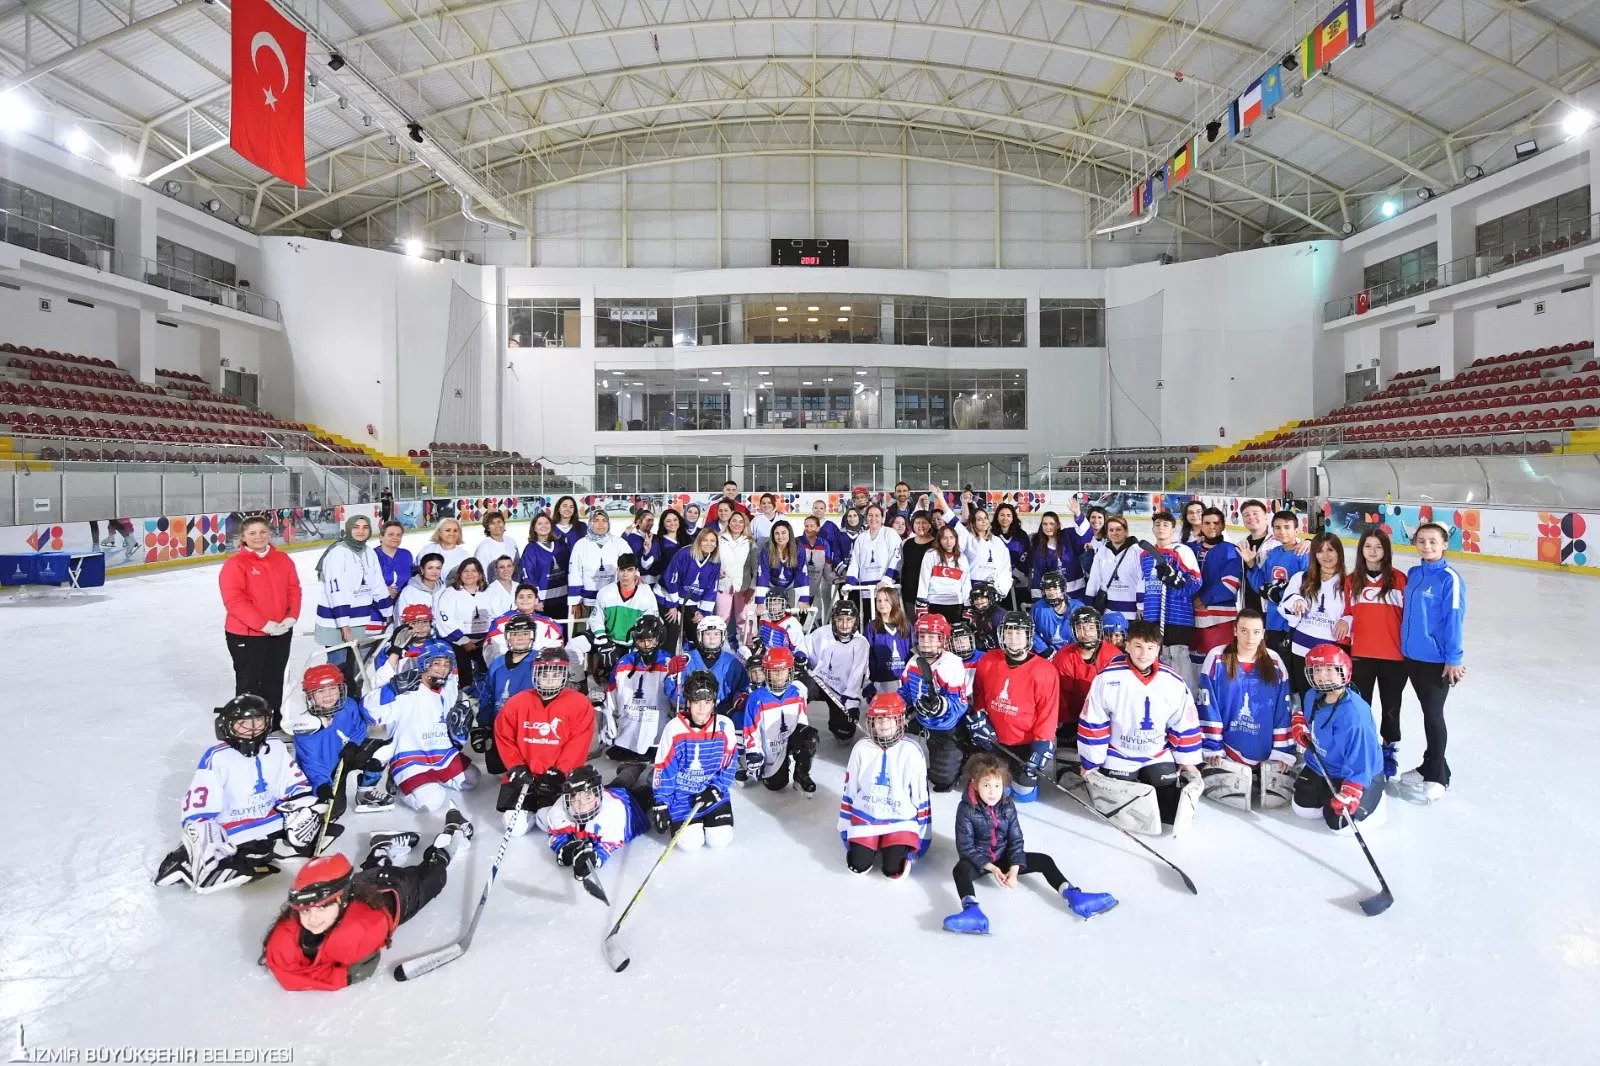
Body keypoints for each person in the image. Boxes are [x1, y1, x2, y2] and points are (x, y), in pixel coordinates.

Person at [260, 811, 471, 991]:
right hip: (365, 882)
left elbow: (296, 975)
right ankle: (381, 848)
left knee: (434, 878)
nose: (312, 918)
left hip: (398, 891)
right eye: (305, 911)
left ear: (341, 900)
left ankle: (446, 843)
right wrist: (340, 977)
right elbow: (287, 974)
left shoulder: (356, 933)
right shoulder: (290, 932)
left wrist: (342, 976)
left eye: (322, 907)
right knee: (371, 873)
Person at [154, 695, 317, 892]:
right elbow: (199, 808)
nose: (253, 728)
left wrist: (300, 809)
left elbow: (295, 783)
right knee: (217, 845)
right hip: (233, 831)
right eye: (244, 723)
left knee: (308, 818)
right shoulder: (217, 757)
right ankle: (187, 859)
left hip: (271, 822)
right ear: (227, 726)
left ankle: (265, 850)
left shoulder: (276, 747)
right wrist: (204, 837)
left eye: (258, 720)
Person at [941, 753, 1117, 935]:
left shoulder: (1007, 805)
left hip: (1003, 856)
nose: (993, 792)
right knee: (960, 870)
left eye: (997, 785)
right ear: (975, 785)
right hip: (980, 861)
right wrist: (992, 868)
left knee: (1044, 861)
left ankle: (1073, 894)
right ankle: (972, 911)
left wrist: (1015, 868)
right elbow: (965, 847)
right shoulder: (967, 809)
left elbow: (1016, 840)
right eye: (986, 786)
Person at [1077, 620, 1203, 836]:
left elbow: (1185, 721)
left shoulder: (1172, 681)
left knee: (1168, 812)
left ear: (1158, 649)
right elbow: (1094, 721)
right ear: (1127, 645)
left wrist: (1187, 761)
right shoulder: (1108, 679)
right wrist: (1090, 762)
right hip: (1119, 754)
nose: (1144, 654)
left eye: (1150, 648)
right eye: (1138, 646)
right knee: (1126, 811)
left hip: (1157, 754)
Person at [363, 640, 480, 813]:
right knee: (431, 802)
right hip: (410, 756)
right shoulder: (407, 688)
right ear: (425, 663)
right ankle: (400, 784)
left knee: (472, 779)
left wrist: (457, 736)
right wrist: (391, 689)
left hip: (441, 752)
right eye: (436, 663)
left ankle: (432, 778)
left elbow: (446, 723)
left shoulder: (448, 688)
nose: (442, 668)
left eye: (447, 664)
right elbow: (369, 711)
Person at [1196, 609, 1296, 810]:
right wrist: (1213, 746)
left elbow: (1283, 710)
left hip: (1264, 747)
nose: (1250, 638)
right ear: (1234, 630)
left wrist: (1281, 752)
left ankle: (1261, 771)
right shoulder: (1217, 658)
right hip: (1228, 748)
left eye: (1256, 632)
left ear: (1263, 633)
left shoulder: (1275, 661)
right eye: (1244, 630)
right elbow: (1208, 705)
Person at [1397, 522, 1466, 804]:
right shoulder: (1414, 573)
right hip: (1411, 657)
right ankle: (1430, 764)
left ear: (1444, 544)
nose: (1427, 546)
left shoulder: (1450, 578)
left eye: (1433, 542)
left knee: (1434, 716)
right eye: (1422, 541)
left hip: (1436, 662)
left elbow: (1455, 621)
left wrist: (1454, 658)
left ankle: (1437, 775)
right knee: (1427, 714)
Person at [495, 648, 598, 830]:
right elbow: (504, 736)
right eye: (544, 673)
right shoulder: (517, 702)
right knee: (514, 826)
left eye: (556, 674)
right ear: (535, 673)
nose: (550, 679)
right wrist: (516, 766)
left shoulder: (579, 703)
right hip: (524, 777)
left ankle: (543, 809)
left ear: (565, 675)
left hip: (557, 779)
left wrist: (560, 772)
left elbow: (578, 743)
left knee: (549, 822)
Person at [1291, 644, 1387, 829]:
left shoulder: (1355, 716)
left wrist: (1351, 790)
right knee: (1302, 809)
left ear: (1344, 671)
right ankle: (1331, 792)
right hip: (1323, 764)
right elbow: (1310, 718)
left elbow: (1361, 758)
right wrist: (1300, 723)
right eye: (1317, 670)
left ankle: (1376, 796)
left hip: (1359, 771)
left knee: (1340, 825)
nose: (1323, 675)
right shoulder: (1312, 695)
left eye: (1329, 669)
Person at [219, 514, 302, 727]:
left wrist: (291, 616)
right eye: (252, 533)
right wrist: (263, 624)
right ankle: (246, 730)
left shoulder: (282, 559)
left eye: (263, 531)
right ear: (243, 537)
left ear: (270, 534)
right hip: (247, 635)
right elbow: (234, 601)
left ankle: (272, 726)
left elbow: (294, 589)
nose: (259, 537)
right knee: (249, 684)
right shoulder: (235, 564)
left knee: (274, 681)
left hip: (281, 632)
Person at [838, 693, 932, 878]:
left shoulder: (912, 751)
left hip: (901, 820)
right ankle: (873, 843)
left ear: (900, 720)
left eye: (889, 719)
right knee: (858, 866)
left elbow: (921, 797)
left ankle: (890, 845)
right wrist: (844, 826)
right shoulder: (861, 749)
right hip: (867, 816)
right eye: (878, 719)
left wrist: (922, 836)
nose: (884, 724)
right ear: (871, 721)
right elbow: (850, 789)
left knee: (893, 870)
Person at [1341, 527, 1408, 781]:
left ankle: (1390, 749)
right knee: (1361, 706)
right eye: (1368, 546)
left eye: (1378, 547)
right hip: (1361, 655)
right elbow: (1347, 612)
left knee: (1391, 706)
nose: (1373, 551)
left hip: (1394, 657)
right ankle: (1364, 748)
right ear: (1361, 550)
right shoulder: (1351, 581)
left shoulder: (1400, 579)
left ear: (1386, 551)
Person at [970, 610, 1059, 801]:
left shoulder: (1044, 669)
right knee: (994, 794)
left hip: (1026, 744)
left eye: (1019, 632)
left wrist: (1041, 746)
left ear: (1029, 635)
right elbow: (978, 694)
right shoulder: (988, 660)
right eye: (1009, 632)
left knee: (1024, 796)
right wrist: (980, 719)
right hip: (995, 741)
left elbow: (1048, 713)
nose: (1014, 637)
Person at [650, 670, 740, 848]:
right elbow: (664, 768)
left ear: (714, 703)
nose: (701, 708)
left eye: (707, 702)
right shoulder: (674, 729)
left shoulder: (724, 725)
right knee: (691, 844)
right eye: (697, 702)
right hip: (682, 796)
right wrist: (661, 803)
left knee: (720, 840)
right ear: (688, 702)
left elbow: (730, 764)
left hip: (712, 794)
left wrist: (716, 789)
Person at [289, 664, 386, 821]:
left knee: (382, 750)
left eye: (332, 689)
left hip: (347, 755)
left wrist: (353, 744)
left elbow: (359, 727)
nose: (328, 695)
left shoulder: (348, 705)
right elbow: (311, 761)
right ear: (310, 695)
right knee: (334, 811)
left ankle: (365, 792)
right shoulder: (306, 725)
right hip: (326, 771)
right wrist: (321, 784)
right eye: (321, 691)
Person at [314, 515, 389, 699]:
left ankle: (351, 704)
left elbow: (377, 584)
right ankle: (334, 706)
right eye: (356, 527)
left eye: (365, 527)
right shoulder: (338, 553)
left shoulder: (369, 553)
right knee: (338, 667)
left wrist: (388, 612)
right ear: (348, 529)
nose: (361, 530)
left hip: (358, 620)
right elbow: (336, 590)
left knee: (354, 667)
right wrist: (343, 623)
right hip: (335, 623)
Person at [534, 764, 646, 881]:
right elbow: (555, 834)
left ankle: (634, 768)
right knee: (618, 783)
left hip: (629, 805)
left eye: (587, 798)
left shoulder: (614, 811)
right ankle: (630, 770)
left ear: (598, 797)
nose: (581, 804)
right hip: (607, 795)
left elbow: (608, 845)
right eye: (575, 799)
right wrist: (564, 848)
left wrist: (594, 858)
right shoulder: (559, 811)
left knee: (643, 793)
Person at [899, 613, 971, 792]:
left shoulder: (951, 664)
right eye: (922, 637)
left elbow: (960, 703)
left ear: (942, 640)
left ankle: (964, 755)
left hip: (945, 728)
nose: (926, 642)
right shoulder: (913, 662)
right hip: (921, 723)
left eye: (932, 637)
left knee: (943, 780)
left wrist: (941, 706)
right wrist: (896, 706)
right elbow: (905, 692)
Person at [1050, 606, 1120, 776]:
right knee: (1068, 762)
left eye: (1090, 627)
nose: (1086, 633)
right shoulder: (1064, 657)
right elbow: (1059, 696)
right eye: (1080, 628)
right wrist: (1061, 722)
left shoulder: (1114, 656)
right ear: (1073, 631)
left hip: (1107, 720)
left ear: (1098, 629)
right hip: (1074, 719)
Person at [740, 646, 819, 794]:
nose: (779, 675)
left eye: (782, 671)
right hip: (771, 746)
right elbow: (751, 731)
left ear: (790, 671)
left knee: (810, 736)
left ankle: (801, 774)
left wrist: (803, 747)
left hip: (790, 738)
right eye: (774, 671)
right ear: (766, 672)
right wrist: (754, 754)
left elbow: (802, 721)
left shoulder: (796, 693)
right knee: (777, 785)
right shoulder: (757, 699)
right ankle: (763, 765)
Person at [1279, 531, 1350, 696]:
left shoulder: (1349, 582)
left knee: (1330, 700)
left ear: (1339, 552)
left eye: (1330, 550)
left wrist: (1347, 620)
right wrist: (1295, 601)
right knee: (1306, 699)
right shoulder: (1301, 578)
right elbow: (1284, 606)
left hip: (1332, 654)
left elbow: (1355, 611)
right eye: (1320, 550)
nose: (1325, 555)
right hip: (1301, 649)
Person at [470, 614, 543, 771]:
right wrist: (483, 725)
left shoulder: (540, 661)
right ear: (507, 637)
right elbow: (488, 695)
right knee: (498, 769)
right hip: (502, 726)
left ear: (533, 636)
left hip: (530, 728)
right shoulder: (497, 664)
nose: (520, 639)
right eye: (515, 634)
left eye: (525, 634)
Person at [1137, 511, 1201, 688]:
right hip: (1152, 615)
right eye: (1157, 524)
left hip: (1177, 616)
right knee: (1154, 655)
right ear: (1152, 529)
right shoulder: (1145, 555)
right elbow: (1143, 582)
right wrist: (1141, 607)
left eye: (1166, 525)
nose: (1161, 528)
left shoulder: (1182, 551)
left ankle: (1185, 697)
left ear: (1173, 530)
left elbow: (1196, 582)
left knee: (1178, 658)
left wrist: (1176, 581)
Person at [601, 615, 674, 761]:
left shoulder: (668, 662)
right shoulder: (624, 662)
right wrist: (608, 717)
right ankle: (626, 743)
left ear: (659, 638)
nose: (646, 645)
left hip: (657, 735)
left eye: (650, 640)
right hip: (627, 733)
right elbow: (612, 691)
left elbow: (676, 698)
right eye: (641, 641)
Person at [802, 598, 872, 742]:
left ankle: (840, 726)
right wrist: (801, 657)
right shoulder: (822, 633)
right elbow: (803, 646)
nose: (845, 624)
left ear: (855, 621)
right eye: (840, 619)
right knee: (799, 689)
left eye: (849, 619)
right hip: (818, 681)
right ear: (834, 620)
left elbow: (858, 675)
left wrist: (852, 703)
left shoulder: (861, 643)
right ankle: (793, 725)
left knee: (844, 737)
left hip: (841, 692)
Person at [1247, 510, 1310, 666]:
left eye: (1287, 527)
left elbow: (1307, 587)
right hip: (1273, 620)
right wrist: (1251, 564)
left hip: (1295, 622)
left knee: (1293, 666)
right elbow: (1261, 585)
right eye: (1278, 527)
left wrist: (1310, 541)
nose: (1282, 531)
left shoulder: (1303, 553)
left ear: (1296, 530)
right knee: (1275, 664)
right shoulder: (1273, 553)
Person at [664, 614, 749, 721]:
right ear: (700, 636)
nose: (712, 638)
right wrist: (672, 675)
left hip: (723, 717)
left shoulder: (733, 663)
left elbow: (742, 689)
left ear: (723, 636)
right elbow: (672, 692)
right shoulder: (687, 660)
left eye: (716, 634)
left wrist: (740, 697)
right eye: (707, 634)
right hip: (692, 716)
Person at [933, 492, 1011, 606]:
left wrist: (1001, 589)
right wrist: (940, 497)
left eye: (985, 518)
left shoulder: (997, 542)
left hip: (993, 592)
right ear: (973, 523)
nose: (984, 521)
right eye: (979, 519)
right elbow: (952, 519)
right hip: (972, 590)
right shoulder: (968, 538)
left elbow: (1005, 567)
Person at [1191, 506, 1243, 664]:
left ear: (1223, 526)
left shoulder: (1231, 551)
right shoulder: (1191, 549)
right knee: (1195, 662)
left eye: (1216, 523)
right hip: (1192, 617)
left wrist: (1202, 599)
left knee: (1220, 662)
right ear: (1201, 525)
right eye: (1207, 523)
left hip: (1220, 619)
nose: (1211, 527)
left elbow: (1230, 585)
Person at [436, 557, 495, 690]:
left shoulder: (488, 592)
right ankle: (465, 694)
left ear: (480, 574)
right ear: (459, 574)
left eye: (474, 570)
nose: (469, 574)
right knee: (464, 672)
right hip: (460, 643)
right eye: (465, 571)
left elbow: (495, 615)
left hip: (484, 640)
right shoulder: (450, 593)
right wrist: (464, 640)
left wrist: (489, 637)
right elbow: (444, 620)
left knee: (490, 668)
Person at [660, 527, 721, 654]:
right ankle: (667, 662)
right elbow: (671, 578)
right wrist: (672, 605)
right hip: (667, 597)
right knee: (673, 630)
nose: (709, 544)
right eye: (705, 540)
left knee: (698, 630)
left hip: (689, 600)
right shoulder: (685, 553)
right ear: (698, 541)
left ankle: (695, 660)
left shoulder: (715, 562)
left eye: (712, 541)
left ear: (716, 544)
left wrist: (703, 611)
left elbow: (711, 588)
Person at [570, 508, 630, 633]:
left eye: (604, 520)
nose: (601, 524)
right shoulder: (581, 545)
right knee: (587, 636)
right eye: (596, 520)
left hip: (614, 600)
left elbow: (629, 567)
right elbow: (575, 572)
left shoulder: (619, 543)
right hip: (588, 601)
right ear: (590, 523)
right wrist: (575, 601)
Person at [592, 552, 661, 654]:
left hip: (636, 646)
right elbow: (596, 619)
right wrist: (603, 640)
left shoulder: (646, 594)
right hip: (610, 641)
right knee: (576, 644)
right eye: (622, 570)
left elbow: (651, 623)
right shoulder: (605, 593)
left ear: (636, 571)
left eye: (629, 570)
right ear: (618, 570)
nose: (625, 575)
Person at [843, 505, 901, 616]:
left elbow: (896, 558)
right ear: (866, 518)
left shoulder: (890, 533)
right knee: (868, 620)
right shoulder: (861, 537)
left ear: (882, 518)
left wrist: (886, 580)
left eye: (877, 515)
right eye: (870, 515)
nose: (873, 518)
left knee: (887, 620)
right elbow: (855, 562)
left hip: (885, 589)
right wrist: (849, 584)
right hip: (866, 590)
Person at [1029, 504, 1091, 601]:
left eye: (1051, 523)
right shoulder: (1040, 549)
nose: (1048, 527)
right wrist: (1037, 600)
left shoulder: (1068, 536)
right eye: (1045, 524)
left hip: (1077, 594)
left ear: (1058, 524)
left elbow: (1084, 534)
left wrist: (1078, 514)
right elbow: (1037, 575)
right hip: (1056, 596)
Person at [1083, 514, 1141, 619]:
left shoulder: (1138, 551)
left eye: (1118, 529)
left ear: (1126, 531)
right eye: (1111, 530)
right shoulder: (1102, 552)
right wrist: (1089, 604)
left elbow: (1142, 580)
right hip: (1109, 611)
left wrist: (1141, 606)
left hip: (1133, 612)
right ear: (1107, 532)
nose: (1114, 533)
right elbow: (1094, 579)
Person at [716, 510, 759, 647]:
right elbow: (711, 561)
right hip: (723, 586)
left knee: (745, 618)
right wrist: (717, 571)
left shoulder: (750, 543)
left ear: (745, 524)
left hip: (744, 587)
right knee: (722, 618)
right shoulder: (719, 540)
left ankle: (748, 646)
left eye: (741, 522)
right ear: (728, 522)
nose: (737, 524)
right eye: (734, 520)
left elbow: (756, 569)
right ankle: (718, 646)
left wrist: (752, 588)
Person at [917, 521, 971, 626]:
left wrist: (968, 607)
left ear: (956, 539)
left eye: (951, 538)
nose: (948, 541)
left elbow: (966, 584)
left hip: (956, 605)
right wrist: (921, 603)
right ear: (939, 540)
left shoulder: (962, 558)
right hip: (934, 603)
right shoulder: (931, 554)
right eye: (945, 538)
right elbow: (924, 579)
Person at [520, 513, 568, 625]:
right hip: (544, 603)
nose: (544, 526)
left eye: (546, 523)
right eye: (540, 523)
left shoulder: (561, 545)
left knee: (563, 634)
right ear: (534, 528)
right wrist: (535, 599)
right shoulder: (531, 549)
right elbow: (528, 574)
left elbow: (570, 569)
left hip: (563, 599)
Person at [755, 519, 810, 617]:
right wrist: (760, 602)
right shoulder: (767, 549)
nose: (780, 537)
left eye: (783, 533)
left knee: (789, 615)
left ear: (790, 533)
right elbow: (763, 573)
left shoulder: (799, 548)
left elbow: (802, 572)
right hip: (771, 585)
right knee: (769, 615)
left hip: (790, 585)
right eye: (777, 533)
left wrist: (803, 599)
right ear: (773, 535)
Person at [864, 586, 912, 695]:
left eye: (886, 600)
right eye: (879, 600)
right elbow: (867, 655)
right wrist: (869, 681)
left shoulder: (906, 625)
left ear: (894, 601)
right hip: (880, 680)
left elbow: (912, 651)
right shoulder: (871, 627)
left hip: (903, 679)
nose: (882, 603)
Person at [799, 514, 840, 622]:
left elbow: (827, 569)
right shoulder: (798, 542)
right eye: (806, 526)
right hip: (798, 587)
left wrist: (836, 578)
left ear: (818, 528)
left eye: (812, 526)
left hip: (812, 586)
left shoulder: (824, 544)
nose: (809, 529)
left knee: (803, 616)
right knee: (796, 617)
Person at [897, 510, 937, 616]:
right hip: (909, 594)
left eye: (924, 522)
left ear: (930, 524)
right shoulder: (906, 544)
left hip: (930, 595)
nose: (920, 526)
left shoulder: (936, 544)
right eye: (917, 523)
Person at [992, 503, 1030, 610]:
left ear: (1013, 517)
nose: (1005, 518)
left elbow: (1026, 556)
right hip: (996, 582)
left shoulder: (1021, 535)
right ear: (997, 516)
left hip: (1018, 582)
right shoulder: (990, 534)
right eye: (1002, 515)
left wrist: (1015, 577)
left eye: (1009, 515)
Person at [373, 520, 413, 619]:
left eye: (399, 535)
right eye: (391, 534)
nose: (395, 537)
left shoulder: (406, 555)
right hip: (375, 610)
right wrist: (383, 590)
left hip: (403, 606)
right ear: (381, 537)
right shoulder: (372, 555)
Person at [1029, 571, 1076, 654]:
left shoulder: (1077, 607)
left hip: (1073, 653)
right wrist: (1043, 649)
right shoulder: (1038, 608)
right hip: (1048, 654)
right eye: (1048, 589)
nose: (1052, 592)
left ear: (1063, 589)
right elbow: (1031, 630)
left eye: (1055, 588)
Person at [474, 510, 521, 577]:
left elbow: (517, 565)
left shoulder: (511, 541)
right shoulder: (483, 548)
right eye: (492, 523)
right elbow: (482, 573)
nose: (497, 525)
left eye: (499, 521)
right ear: (487, 528)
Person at [623, 508, 662, 587]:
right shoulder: (630, 538)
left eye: (652, 520)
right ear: (639, 522)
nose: (651, 523)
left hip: (657, 581)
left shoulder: (657, 538)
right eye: (648, 520)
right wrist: (625, 535)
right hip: (638, 581)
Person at [966, 581, 1005, 651]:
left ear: (990, 599)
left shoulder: (999, 615)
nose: (978, 601)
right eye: (975, 599)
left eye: (982, 598)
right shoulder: (979, 615)